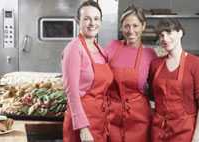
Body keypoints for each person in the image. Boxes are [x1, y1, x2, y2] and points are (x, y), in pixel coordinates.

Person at [61, 1, 113, 142]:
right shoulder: (74, 49)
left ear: (101, 21)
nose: (92, 23)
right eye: (87, 18)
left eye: (96, 19)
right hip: (82, 123)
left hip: (100, 120)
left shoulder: (101, 50)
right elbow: (71, 91)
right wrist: (83, 128)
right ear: (79, 21)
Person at [105, 5, 157, 142]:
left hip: (139, 119)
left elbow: (155, 90)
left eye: (135, 25)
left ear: (143, 26)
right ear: (121, 27)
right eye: (127, 26)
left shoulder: (150, 55)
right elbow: (98, 75)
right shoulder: (112, 47)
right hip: (112, 117)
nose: (131, 30)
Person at [149, 18, 199, 142]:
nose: (164, 39)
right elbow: (152, 98)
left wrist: (197, 136)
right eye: (161, 35)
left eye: (169, 32)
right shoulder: (155, 64)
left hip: (185, 131)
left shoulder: (195, 64)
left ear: (180, 33)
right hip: (158, 131)